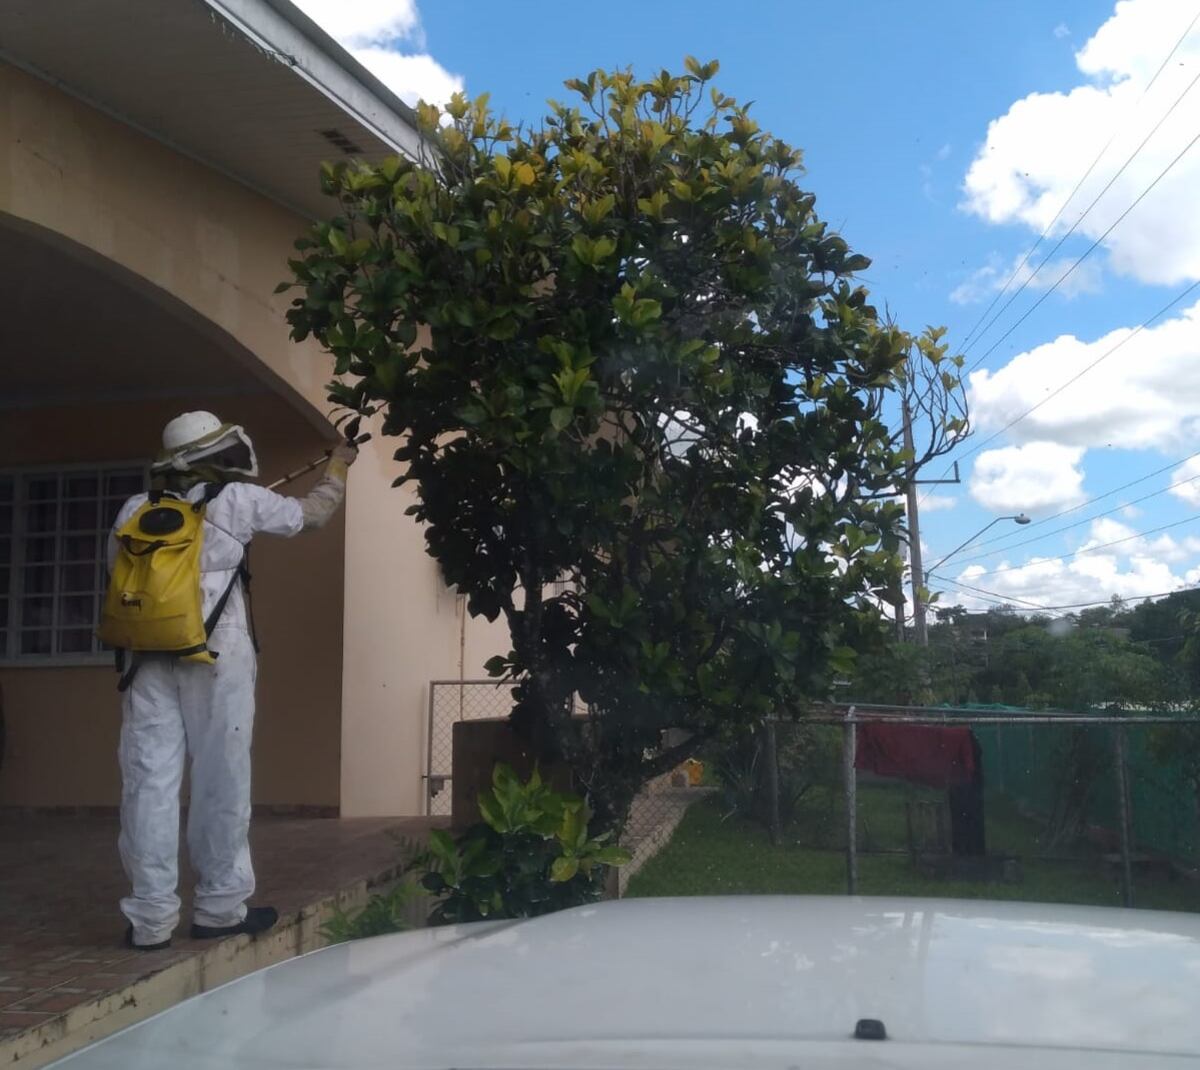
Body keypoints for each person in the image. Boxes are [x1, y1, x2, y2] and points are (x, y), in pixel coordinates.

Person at [108, 411, 357, 951]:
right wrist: (337, 466)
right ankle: (220, 909)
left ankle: (150, 921)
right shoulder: (240, 500)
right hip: (218, 650)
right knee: (221, 777)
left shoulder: (134, 508)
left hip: (145, 654)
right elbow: (312, 515)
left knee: (148, 784)